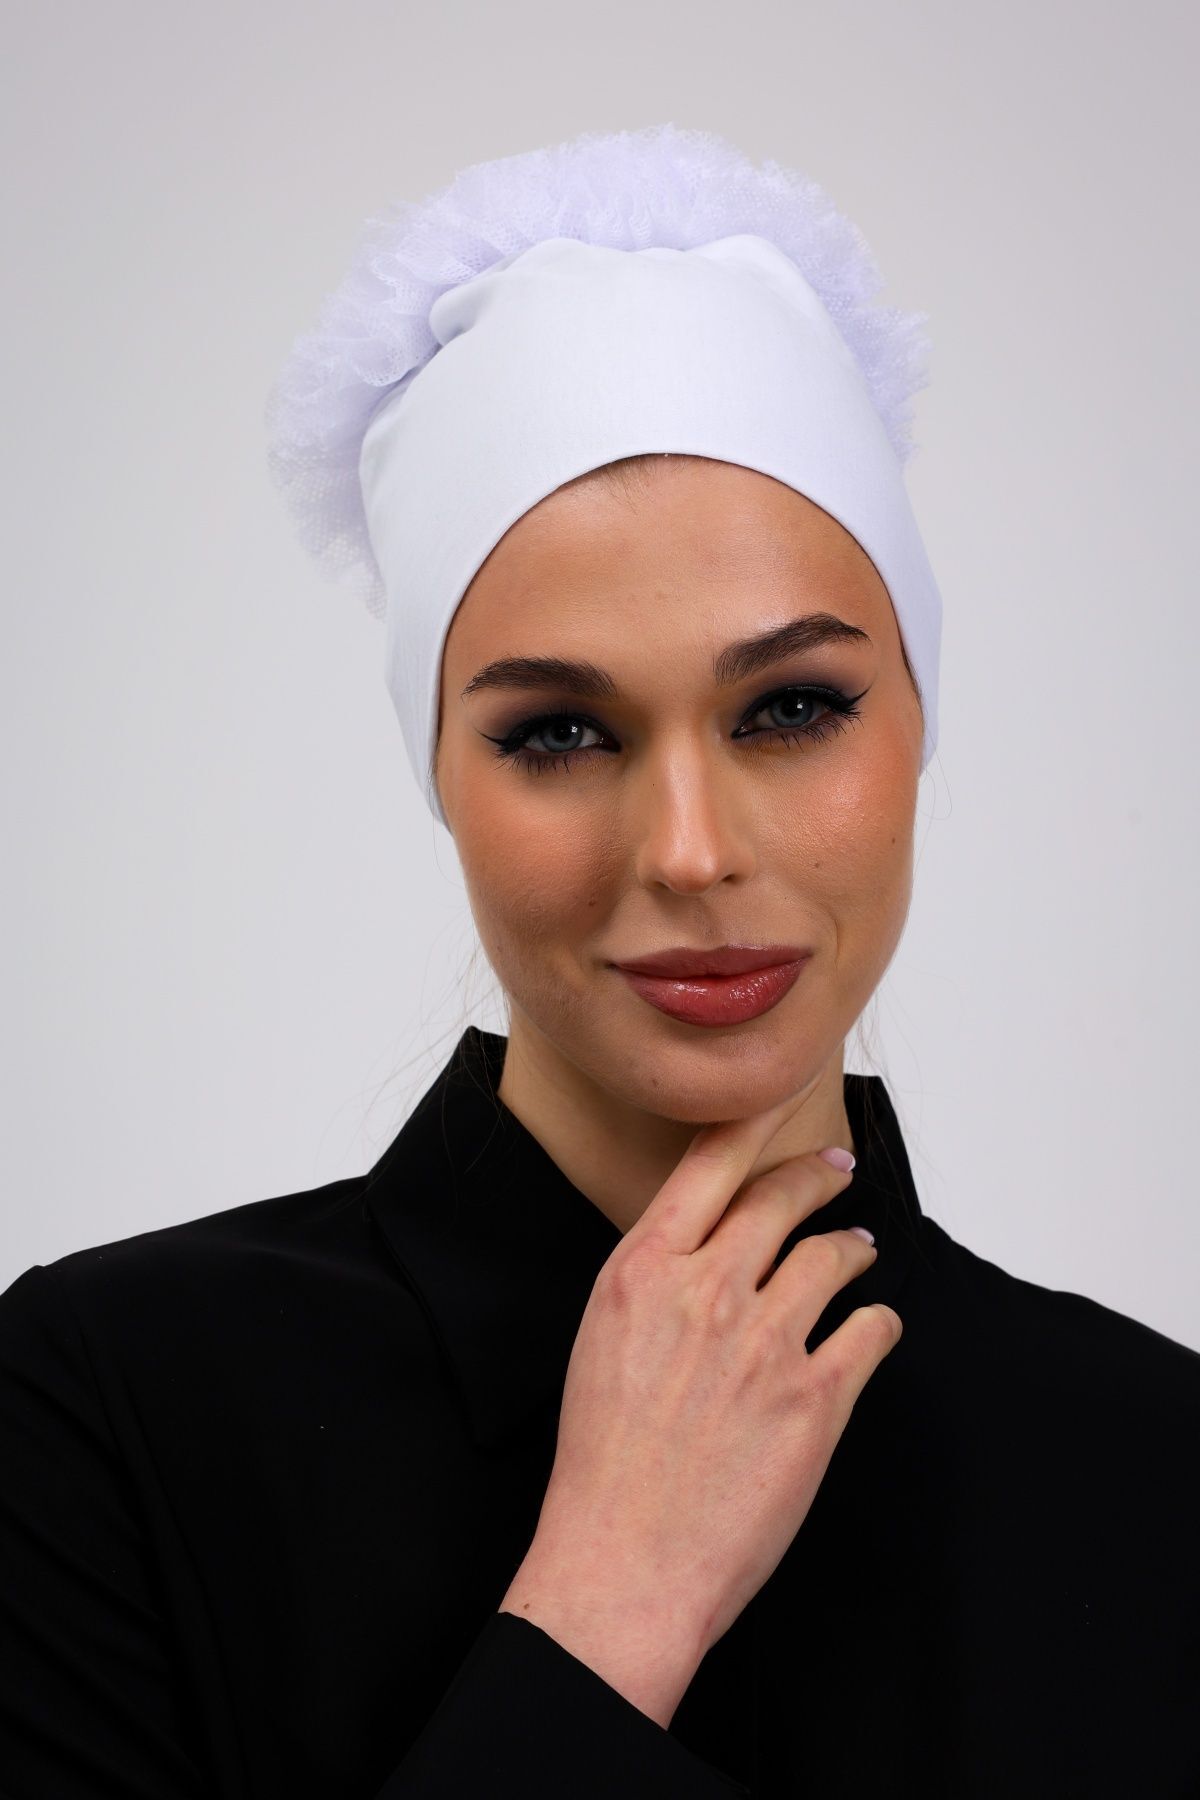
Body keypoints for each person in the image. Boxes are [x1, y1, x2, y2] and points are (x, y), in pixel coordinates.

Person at [2, 126, 1197, 1800]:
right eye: (560, 732)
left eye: (793, 707)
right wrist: (605, 1610)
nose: (689, 850)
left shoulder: (1156, 1462)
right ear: (440, 774)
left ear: (920, 723)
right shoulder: (107, 1409)